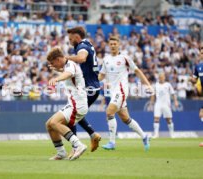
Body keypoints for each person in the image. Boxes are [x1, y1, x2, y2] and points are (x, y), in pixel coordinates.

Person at [98, 36, 151, 151]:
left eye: (114, 44)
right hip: (113, 92)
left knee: (109, 111)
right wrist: (93, 81)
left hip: (121, 91)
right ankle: (144, 136)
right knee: (126, 118)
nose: (112, 46)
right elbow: (102, 75)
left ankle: (112, 142)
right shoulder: (106, 59)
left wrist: (148, 85)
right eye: (111, 44)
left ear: (119, 45)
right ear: (108, 45)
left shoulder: (124, 58)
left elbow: (137, 71)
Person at [45, 47, 88, 160]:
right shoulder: (67, 65)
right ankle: (61, 153)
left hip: (78, 104)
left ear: (59, 59)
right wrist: (57, 69)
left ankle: (79, 145)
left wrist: (57, 79)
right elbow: (65, 71)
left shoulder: (70, 65)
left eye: (54, 63)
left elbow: (68, 74)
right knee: (49, 124)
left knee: (55, 122)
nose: (53, 65)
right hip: (74, 103)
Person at [65, 26, 101, 155]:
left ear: (76, 37)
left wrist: (65, 59)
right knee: (76, 115)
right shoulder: (87, 43)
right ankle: (93, 135)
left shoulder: (82, 46)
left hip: (88, 88)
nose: (69, 41)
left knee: (70, 116)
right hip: (93, 87)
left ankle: (76, 148)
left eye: (70, 38)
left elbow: (81, 58)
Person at [150, 73, 179, 138]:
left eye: (162, 77)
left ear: (164, 77)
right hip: (158, 104)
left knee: (169, 120)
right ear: (158, 78)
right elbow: (153, 94)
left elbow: (173, 94)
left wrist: (175, 101)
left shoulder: (168, 85)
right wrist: (151, 103)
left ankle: (172, 134)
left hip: (166, 104)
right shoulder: (155, 85)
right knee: (156, 118)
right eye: (160, 77)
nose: (161, 78)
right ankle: (156, 134)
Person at [190, 44, 203, 146]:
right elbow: (194, 80)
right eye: (201, 53)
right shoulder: (198, 67)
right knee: (201, 114)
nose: (201, 55)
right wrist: (191, 80)